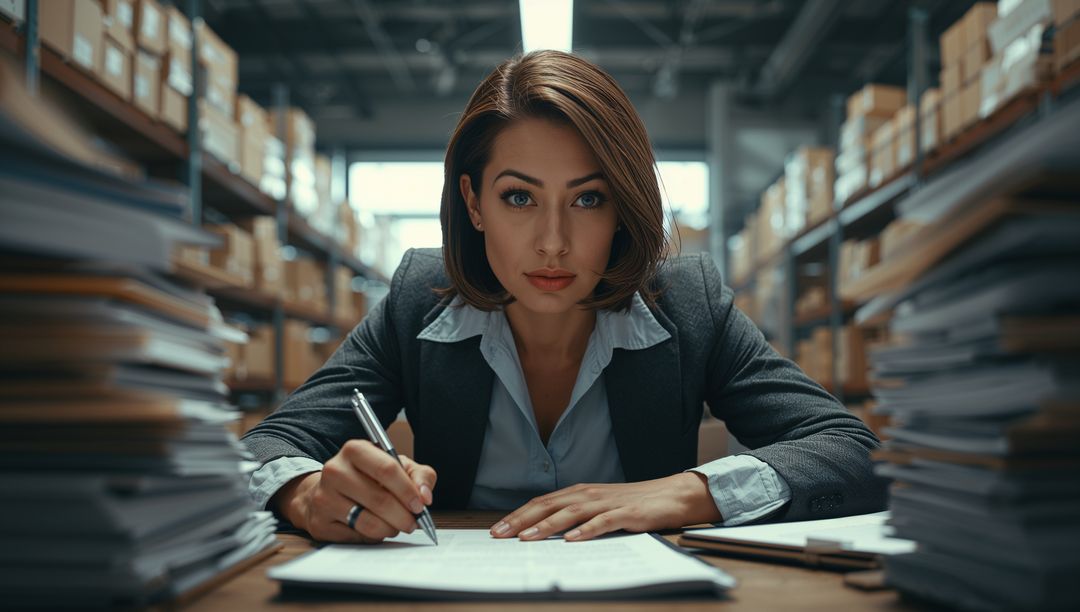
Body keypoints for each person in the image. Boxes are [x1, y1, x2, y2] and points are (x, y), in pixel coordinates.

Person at [242, 50, 886, 545]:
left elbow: (850, 450)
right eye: (519, 197)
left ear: (623, 209)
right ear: (473, 203)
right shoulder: (416, 298)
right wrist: (305, 494)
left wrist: (689, 493)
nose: (553, 243)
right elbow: (262, 448)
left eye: (589, 199)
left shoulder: (689, 303)